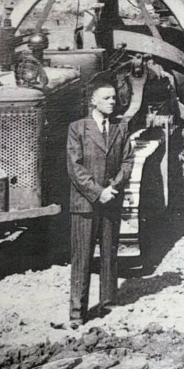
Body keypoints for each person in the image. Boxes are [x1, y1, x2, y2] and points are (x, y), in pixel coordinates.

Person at [65, 79, 134, 327]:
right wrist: (98, 192)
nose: (112, 102)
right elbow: (75, 167)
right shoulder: (78, 128)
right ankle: (77, 313)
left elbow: (127, 162)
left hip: (111, 200)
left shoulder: (120, 127)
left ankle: (108, 305)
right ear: (93, 101)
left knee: (109, 254)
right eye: (106, 98)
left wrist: (113, 188)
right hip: (85, 203)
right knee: (82, 257)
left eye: (114, 98)